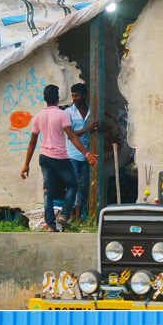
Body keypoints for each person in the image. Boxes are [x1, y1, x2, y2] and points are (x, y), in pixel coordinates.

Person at [20, 83, 98, 231]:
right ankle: (64, 215)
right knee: (73, 185)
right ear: (57, 98)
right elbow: (73, 137)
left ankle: (50, 226)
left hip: (44, 158)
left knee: (48, 192)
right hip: (60, 158)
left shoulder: (38, 117)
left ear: (44, 98)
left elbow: (32, 142)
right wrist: (87, 153)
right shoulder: (62, 115)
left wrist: (26, 164)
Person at [65, 83, 99, 224]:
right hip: (72, 153)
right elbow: (70, 134)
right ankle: (71, 215)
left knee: (83, 185)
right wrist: (88, 129)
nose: (74, 98)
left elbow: (95, 128)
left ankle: (79, 216)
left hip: (87, 154)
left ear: (84, 96)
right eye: (73, 95)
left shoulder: (92, 111)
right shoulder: (68, 112)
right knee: (72, 185)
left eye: (77, 95)